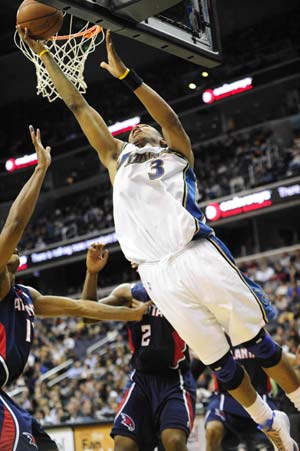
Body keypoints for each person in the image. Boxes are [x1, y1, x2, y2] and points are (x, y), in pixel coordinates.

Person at [18, 27, 300, 450]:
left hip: (194, 252)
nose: (137, 130)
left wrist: (128, 77)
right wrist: (44, 54)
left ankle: (295, 401)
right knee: (222, 366)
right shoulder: (116, 159)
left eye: (142, 129)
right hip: (156, 276)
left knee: (258, 344)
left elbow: (169, 120)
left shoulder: (176, 154)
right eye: (132, 129)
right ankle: (272, 423)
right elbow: (76, 102)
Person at [0, 126, 150, 451]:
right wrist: (40, 169)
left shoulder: (27, 296)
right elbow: (14, 225)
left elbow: (82, 308)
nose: (13, 248)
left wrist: (132, 313)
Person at [82, 243, 196, 451]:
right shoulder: (129, 293)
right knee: (123, 445)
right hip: (141, 380)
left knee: (174, 441)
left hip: (174, 380)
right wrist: (91, 273)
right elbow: (88, 316)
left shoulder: (182, 290)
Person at [192, 344, 300, 451]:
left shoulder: (254, 334)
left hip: (260, 399)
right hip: (226, 400)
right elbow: (192, 372)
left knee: (280, 436)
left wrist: (296, 359)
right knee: (212, 430)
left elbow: (280, 356)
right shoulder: (215, 338)